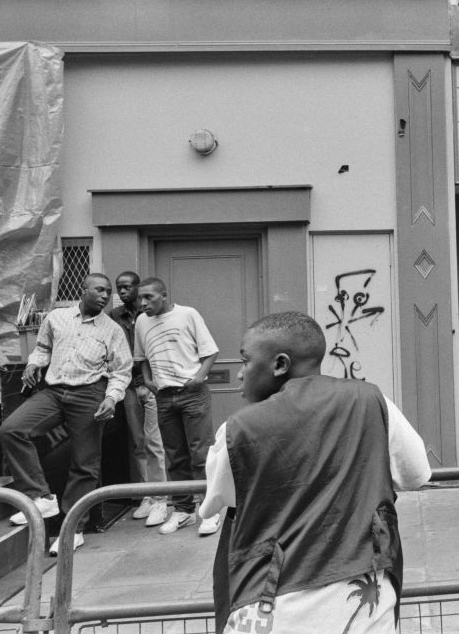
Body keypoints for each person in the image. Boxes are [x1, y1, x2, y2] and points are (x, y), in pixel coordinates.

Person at [202, 311, 430, 634]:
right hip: (364, 600)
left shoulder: (236, 431)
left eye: (245, 361)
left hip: (274, 604)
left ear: (280, 365)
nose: (239, 374)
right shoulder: (372, 402)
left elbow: (218, 499)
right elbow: (417, 472)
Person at [0, 273, 132, 556]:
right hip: (55, 392)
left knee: (85, 463)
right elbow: (42, 348)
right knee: (12, 430)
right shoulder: (56, 318)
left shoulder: (112, 330)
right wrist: (33, 364)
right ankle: (40, 496)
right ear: (82, 291)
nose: (105, 295)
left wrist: (111, 397)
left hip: (89, 394)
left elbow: (121, 371)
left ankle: (74, 529)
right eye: (99, 290)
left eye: (108, 292)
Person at [133, 277, 222, 536]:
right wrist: (148, 380)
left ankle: (209, 510)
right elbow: (141, 357)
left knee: (201, 453)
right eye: (140, 298)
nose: (143, 303)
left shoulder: (187, 314)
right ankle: (183, 511)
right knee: (175, 455)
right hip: (163, 395)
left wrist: (198, 378)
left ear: (164, 295)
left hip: (192, 393)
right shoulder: (141, 321)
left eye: (149, 297)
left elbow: (210, 352)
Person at [109, 271, 168, 527]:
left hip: (152, 383)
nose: (122, 292)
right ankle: (147, 495)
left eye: (127, 287)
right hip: (129, 386)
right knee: (138, 442)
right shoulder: (113, 317)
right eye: (118, 288)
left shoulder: (151, 314)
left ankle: (162, 498)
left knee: (157, 442)